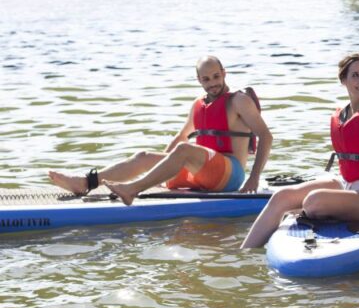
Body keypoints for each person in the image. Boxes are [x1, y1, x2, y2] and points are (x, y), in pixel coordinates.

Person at [48, 56, 273, 205]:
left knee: (185, 150)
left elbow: (266, 136)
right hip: (202, 171)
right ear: (198, 80)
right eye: (206, 79)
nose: (212, 82)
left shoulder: (239, 101)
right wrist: (160, 170)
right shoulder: (198, 104)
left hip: (229, 174)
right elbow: (181, 136)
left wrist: (253, 178)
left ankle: (132, 190)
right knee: (144, 157)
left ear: (224, 73)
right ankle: (87, 182)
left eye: (216, 76)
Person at [240, 52, 359, 248]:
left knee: (313, 201)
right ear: (343, 79)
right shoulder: (343, 112)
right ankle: (243, 254)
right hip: (347, 183)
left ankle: (305, 211)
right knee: (281, 197)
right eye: (356, 75)